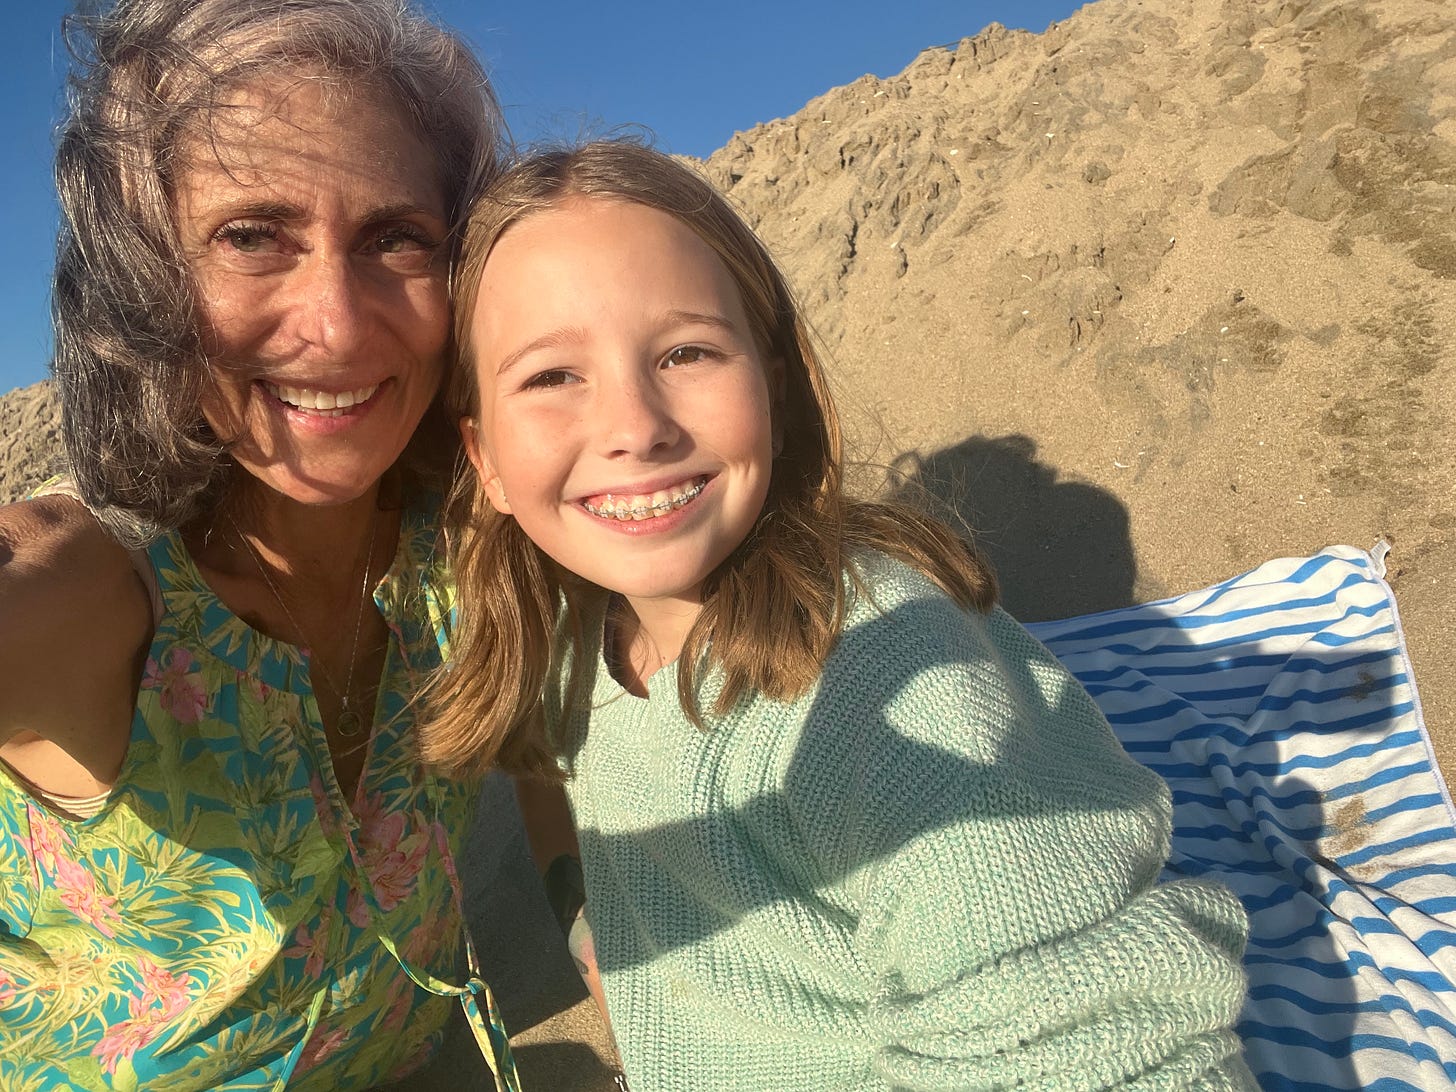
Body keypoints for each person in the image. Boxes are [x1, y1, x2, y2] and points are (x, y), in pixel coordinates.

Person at [425, 140, 1260, 1090]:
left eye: (687, 352)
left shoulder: (874, 679)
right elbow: (551, 774)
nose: (635, 427)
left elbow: (1095, 1043)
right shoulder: (576, 635)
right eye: (551, 377)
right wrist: (593, 936)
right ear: (486, 460)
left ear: (773, 387)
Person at [0, 1, 519, 1088]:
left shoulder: (476, 533)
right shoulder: (102, 588)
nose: (337, 322)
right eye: (251, 235)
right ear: (144, 279)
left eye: (396, 237)